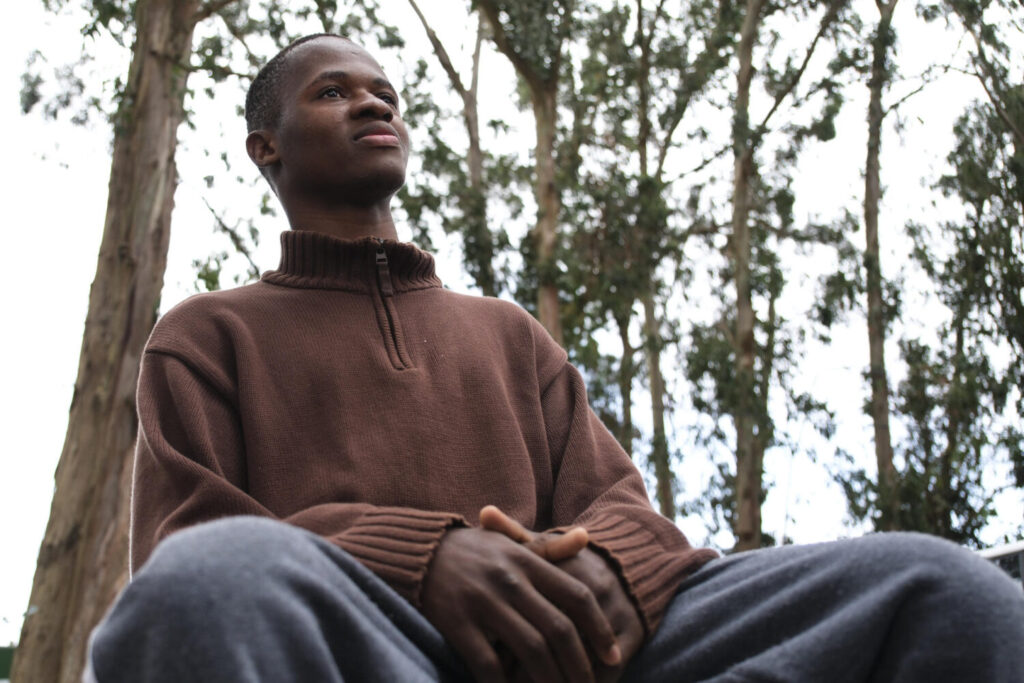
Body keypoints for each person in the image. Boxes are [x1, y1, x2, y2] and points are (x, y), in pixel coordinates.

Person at [86, 33, 1024, 683]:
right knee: (209, 582)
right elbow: (185, 550)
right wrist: (423, 561)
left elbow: (622, 508)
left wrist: (613, 573)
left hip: (580, 658)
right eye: (333, 91)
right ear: (266, 148)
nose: (371, 99)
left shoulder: (507, 332)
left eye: (383, 91)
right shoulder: (205, 335)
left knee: (939, 590)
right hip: (370, 652)